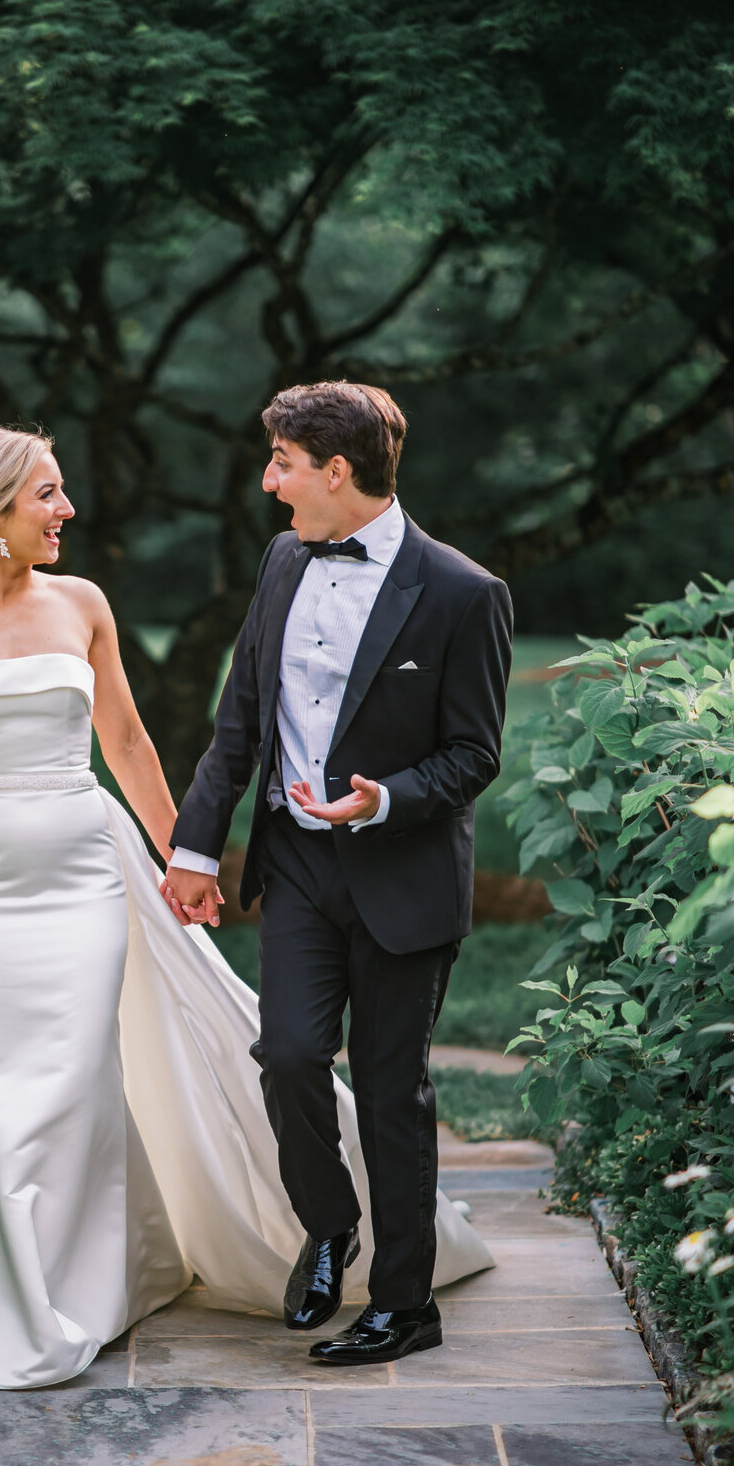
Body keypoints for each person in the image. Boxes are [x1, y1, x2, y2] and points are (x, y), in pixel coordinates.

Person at [0, 424, 493, 1390]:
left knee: (77, 1080)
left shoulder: (82, 603)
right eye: (47, 494)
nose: (66, 510)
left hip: (84, 873)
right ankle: (11, 1300)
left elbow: (125, 741)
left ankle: (90, 1283)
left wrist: (184, 858)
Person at [164, 382, 512, 1366]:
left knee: (393, 1086)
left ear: (337, 471)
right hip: (301, 863)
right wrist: (196, 846)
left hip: (403, 873)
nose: (270, 485)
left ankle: (407, 1304)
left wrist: (384, 797)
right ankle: (329, 1226)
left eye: (282, 465)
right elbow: (242, 721)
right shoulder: (283, 559)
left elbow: (474, 753)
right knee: (287, 1054)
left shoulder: (464, 593)